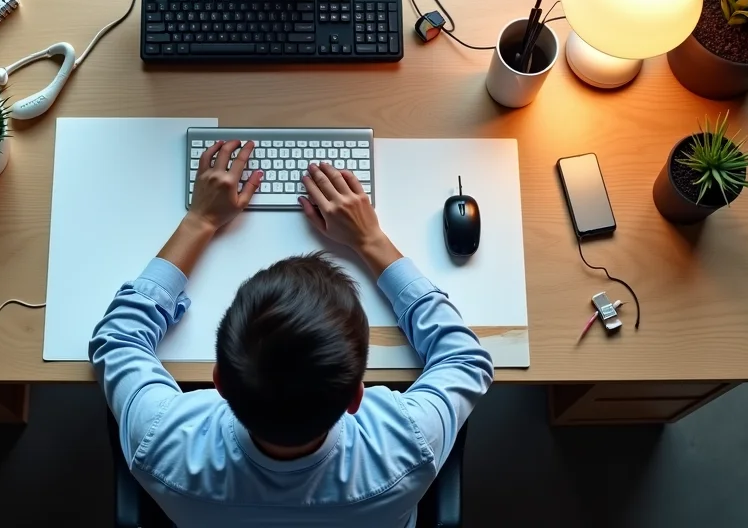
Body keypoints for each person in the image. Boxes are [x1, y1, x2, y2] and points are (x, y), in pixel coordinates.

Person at [91, 139, 494, 527]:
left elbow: (119, 336)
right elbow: (465, 358)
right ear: (356, 396)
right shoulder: (408, 443)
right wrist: (371, 240)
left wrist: (199, 220)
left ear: (219, 382)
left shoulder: (163, 445)